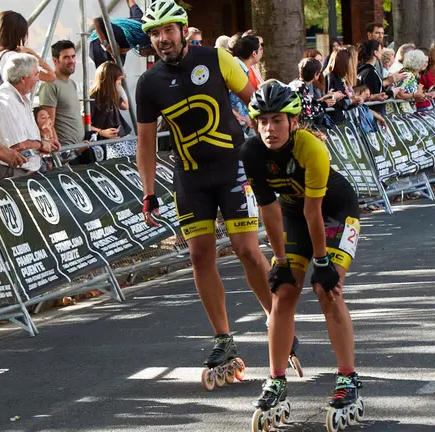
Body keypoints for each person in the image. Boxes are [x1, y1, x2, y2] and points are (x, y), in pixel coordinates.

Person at [135, 0, 297, 386]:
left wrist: (275, 151)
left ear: (182, 28)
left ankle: (277, 318)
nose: (162, 39)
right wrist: (148, 190)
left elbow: (258, 104)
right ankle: (224, 338)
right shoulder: (148, 83)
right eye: (155, 34)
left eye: (168, 30)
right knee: (199, 255)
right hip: (189, 178)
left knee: (245, 248)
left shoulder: (217, 59)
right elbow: (144, 144)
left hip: (232, 169)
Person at [242, 81, 363, 429]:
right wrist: (279, 262)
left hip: (336, 211)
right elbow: (269, 209)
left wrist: (323, 263)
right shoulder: (252, 153)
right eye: (263, 121)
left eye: (277, 120)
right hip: (294, 215)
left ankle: (347, 377)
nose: (269, 128)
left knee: (328, 289)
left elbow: (316, 213)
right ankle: (276, 378)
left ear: (293, 122)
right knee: (282, 294)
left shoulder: (311, 148)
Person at [0, 54, 51, 177]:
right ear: (23, 78)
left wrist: (44, 143)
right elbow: (18, 146)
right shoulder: (5, 101)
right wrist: (41, 145)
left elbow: (27, 140)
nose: (38, 79)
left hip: (25, 170)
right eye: (36, 74)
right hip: (13, 172)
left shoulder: (21, 98)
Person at [39, 40, 85, 158]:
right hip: (65, 153)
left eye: (73, 56)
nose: (72, 61)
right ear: (55, 60)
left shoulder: (72, 83)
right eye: (66, 57)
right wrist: (61, 156)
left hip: (79, 149)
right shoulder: (50, 85)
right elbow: (48, 124)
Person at [0, 10, 55, 91]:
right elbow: (51, 76)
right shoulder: (16, 58)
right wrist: (31, 52)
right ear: (20, 34)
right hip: (13, 101)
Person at [89, 0, 155, 68]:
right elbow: (97, 21)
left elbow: (131, 2)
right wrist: (106, 45)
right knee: (108, 71)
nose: (148, 54)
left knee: (118, 67)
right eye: (150, 51)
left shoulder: (140, 17)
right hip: (98, 42)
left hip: (120, 41)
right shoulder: (122, 35)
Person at [89, 62, 135, 158]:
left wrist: (119, 87)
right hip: (106, 144)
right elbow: (84, 124)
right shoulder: (93, 98)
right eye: (118, 80)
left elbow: (126, 106)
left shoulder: (112, 95)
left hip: (119, 139)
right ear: (110, 80)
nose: (120, 82)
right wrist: (102, 132)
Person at [289, 58, 335, 128]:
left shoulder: (295, 84)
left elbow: (306, 103)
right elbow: (308, 111)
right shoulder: (302, 88)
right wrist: (324, 104)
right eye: (319, 73)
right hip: (299, 126)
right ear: (316, 74)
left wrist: (322, 100)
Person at [356, 39, 394, 114]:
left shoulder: (362, 69)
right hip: (373, 112)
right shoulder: (370, 72)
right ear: (375, 53)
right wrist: (393, 92)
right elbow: (377, 94)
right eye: (380, 49)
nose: (382, 52)